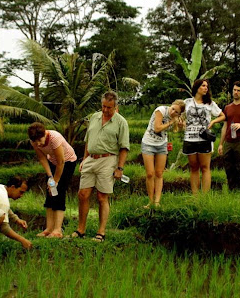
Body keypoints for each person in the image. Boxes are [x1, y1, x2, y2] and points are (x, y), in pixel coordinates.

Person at [71, 91, 129, 242]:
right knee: (83, 194)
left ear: (115, 107)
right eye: (103, 106)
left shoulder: (121, 122)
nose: (105, 110)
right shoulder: (94, 117)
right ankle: (80, 230)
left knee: (102, 196)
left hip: (108, 159)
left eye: (109, 107)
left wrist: (120, 168)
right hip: (91, 158)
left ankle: (101, 232)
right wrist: (84, 160)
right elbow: (88, 140)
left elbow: (124, 148)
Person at [28, 122, 77, 238]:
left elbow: (61, 162)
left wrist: (56, 181)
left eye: (40, 140)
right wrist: (50, 177)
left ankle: (57, 230)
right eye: (36, 142)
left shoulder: (55, 138)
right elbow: (42, 158)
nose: (39, 144)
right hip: (52, 163)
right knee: (50, 193)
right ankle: (49, 228)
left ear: (45, 133)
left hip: (67, 162)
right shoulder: (34, 141)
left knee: (59, 192)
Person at [183, 79, 225, 194]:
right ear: (197, 87)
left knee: (205, 168)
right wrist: (180, 122)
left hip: (204, 139)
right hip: (189, 138)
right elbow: (178, 114)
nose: (206, 88)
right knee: (193, 168)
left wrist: (212, 122)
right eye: (203, 86)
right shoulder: (187, 102)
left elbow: (222, 116)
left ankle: (205, 196)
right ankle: (195, 196)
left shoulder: (210, 103)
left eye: (207, 86)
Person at [142, 100, 185, 207]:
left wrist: (179, 125)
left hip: (162, 144)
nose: (172, 112)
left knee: (159, 173)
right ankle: (150, 201)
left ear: (179, 114)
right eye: (172, 108)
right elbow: (157, 128)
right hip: (148, 143)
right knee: (150, 173)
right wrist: (171, 122)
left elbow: (178, 129)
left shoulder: (177, 118)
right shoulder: (160, 110)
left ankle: (157, 202)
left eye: (176, 111)